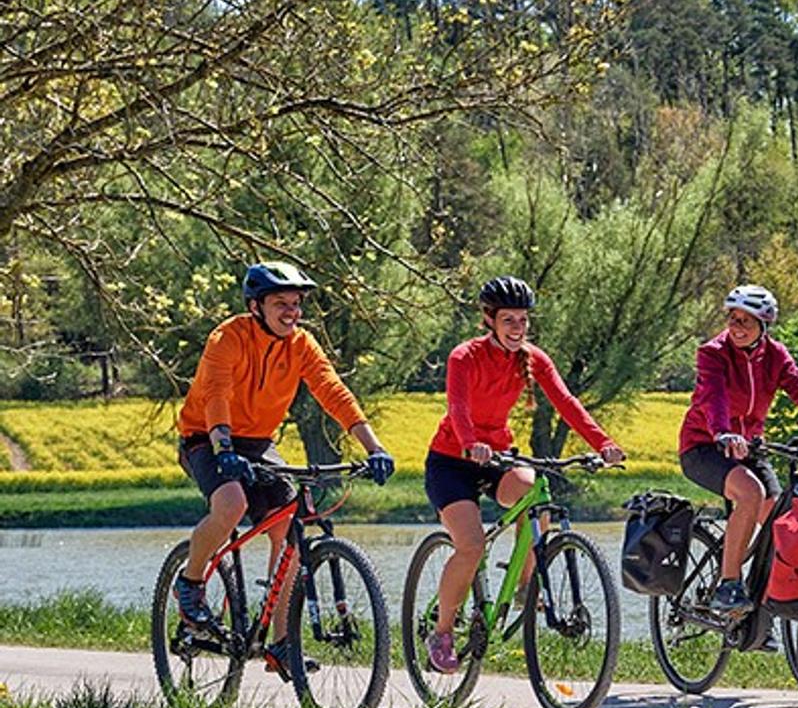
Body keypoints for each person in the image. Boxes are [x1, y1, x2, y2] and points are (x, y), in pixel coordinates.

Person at [173, 261, 396, 679]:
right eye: (281, 304)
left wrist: (374, 447)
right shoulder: (228, 338)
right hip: (207, 435)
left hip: (258, 442)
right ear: (255, 306)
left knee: (289, 527)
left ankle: (280, 643)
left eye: (296, 304)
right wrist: (223, 449)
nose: (292, 312)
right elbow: (216, 395)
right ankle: (190, 581)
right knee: (231, 504)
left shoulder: (302, 344)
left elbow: (333, 391)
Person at [421, 276, 626, 674]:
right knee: (471, 546)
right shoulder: (465, 356)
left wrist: (603, 443)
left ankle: (524, 586)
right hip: (452, 460)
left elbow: (566, 402)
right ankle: (442, 632)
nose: (517, 328)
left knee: (537, 496)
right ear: (489, 320)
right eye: (509, 320)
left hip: (497, 457)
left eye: (523, 320)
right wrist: (469, 442)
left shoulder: (533, 359)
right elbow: (457, 406)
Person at [677, 285, 798, 615]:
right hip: (704, 446)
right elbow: (713, 397)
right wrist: (722, 432)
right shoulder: (713, 353)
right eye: (733, 318)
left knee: (780, 523)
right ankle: (728, 583)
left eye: (746, 320)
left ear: (764, 325)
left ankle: (761, 617)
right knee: (750, 493)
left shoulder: (775, 356)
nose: (737, 326)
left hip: (750, 449)